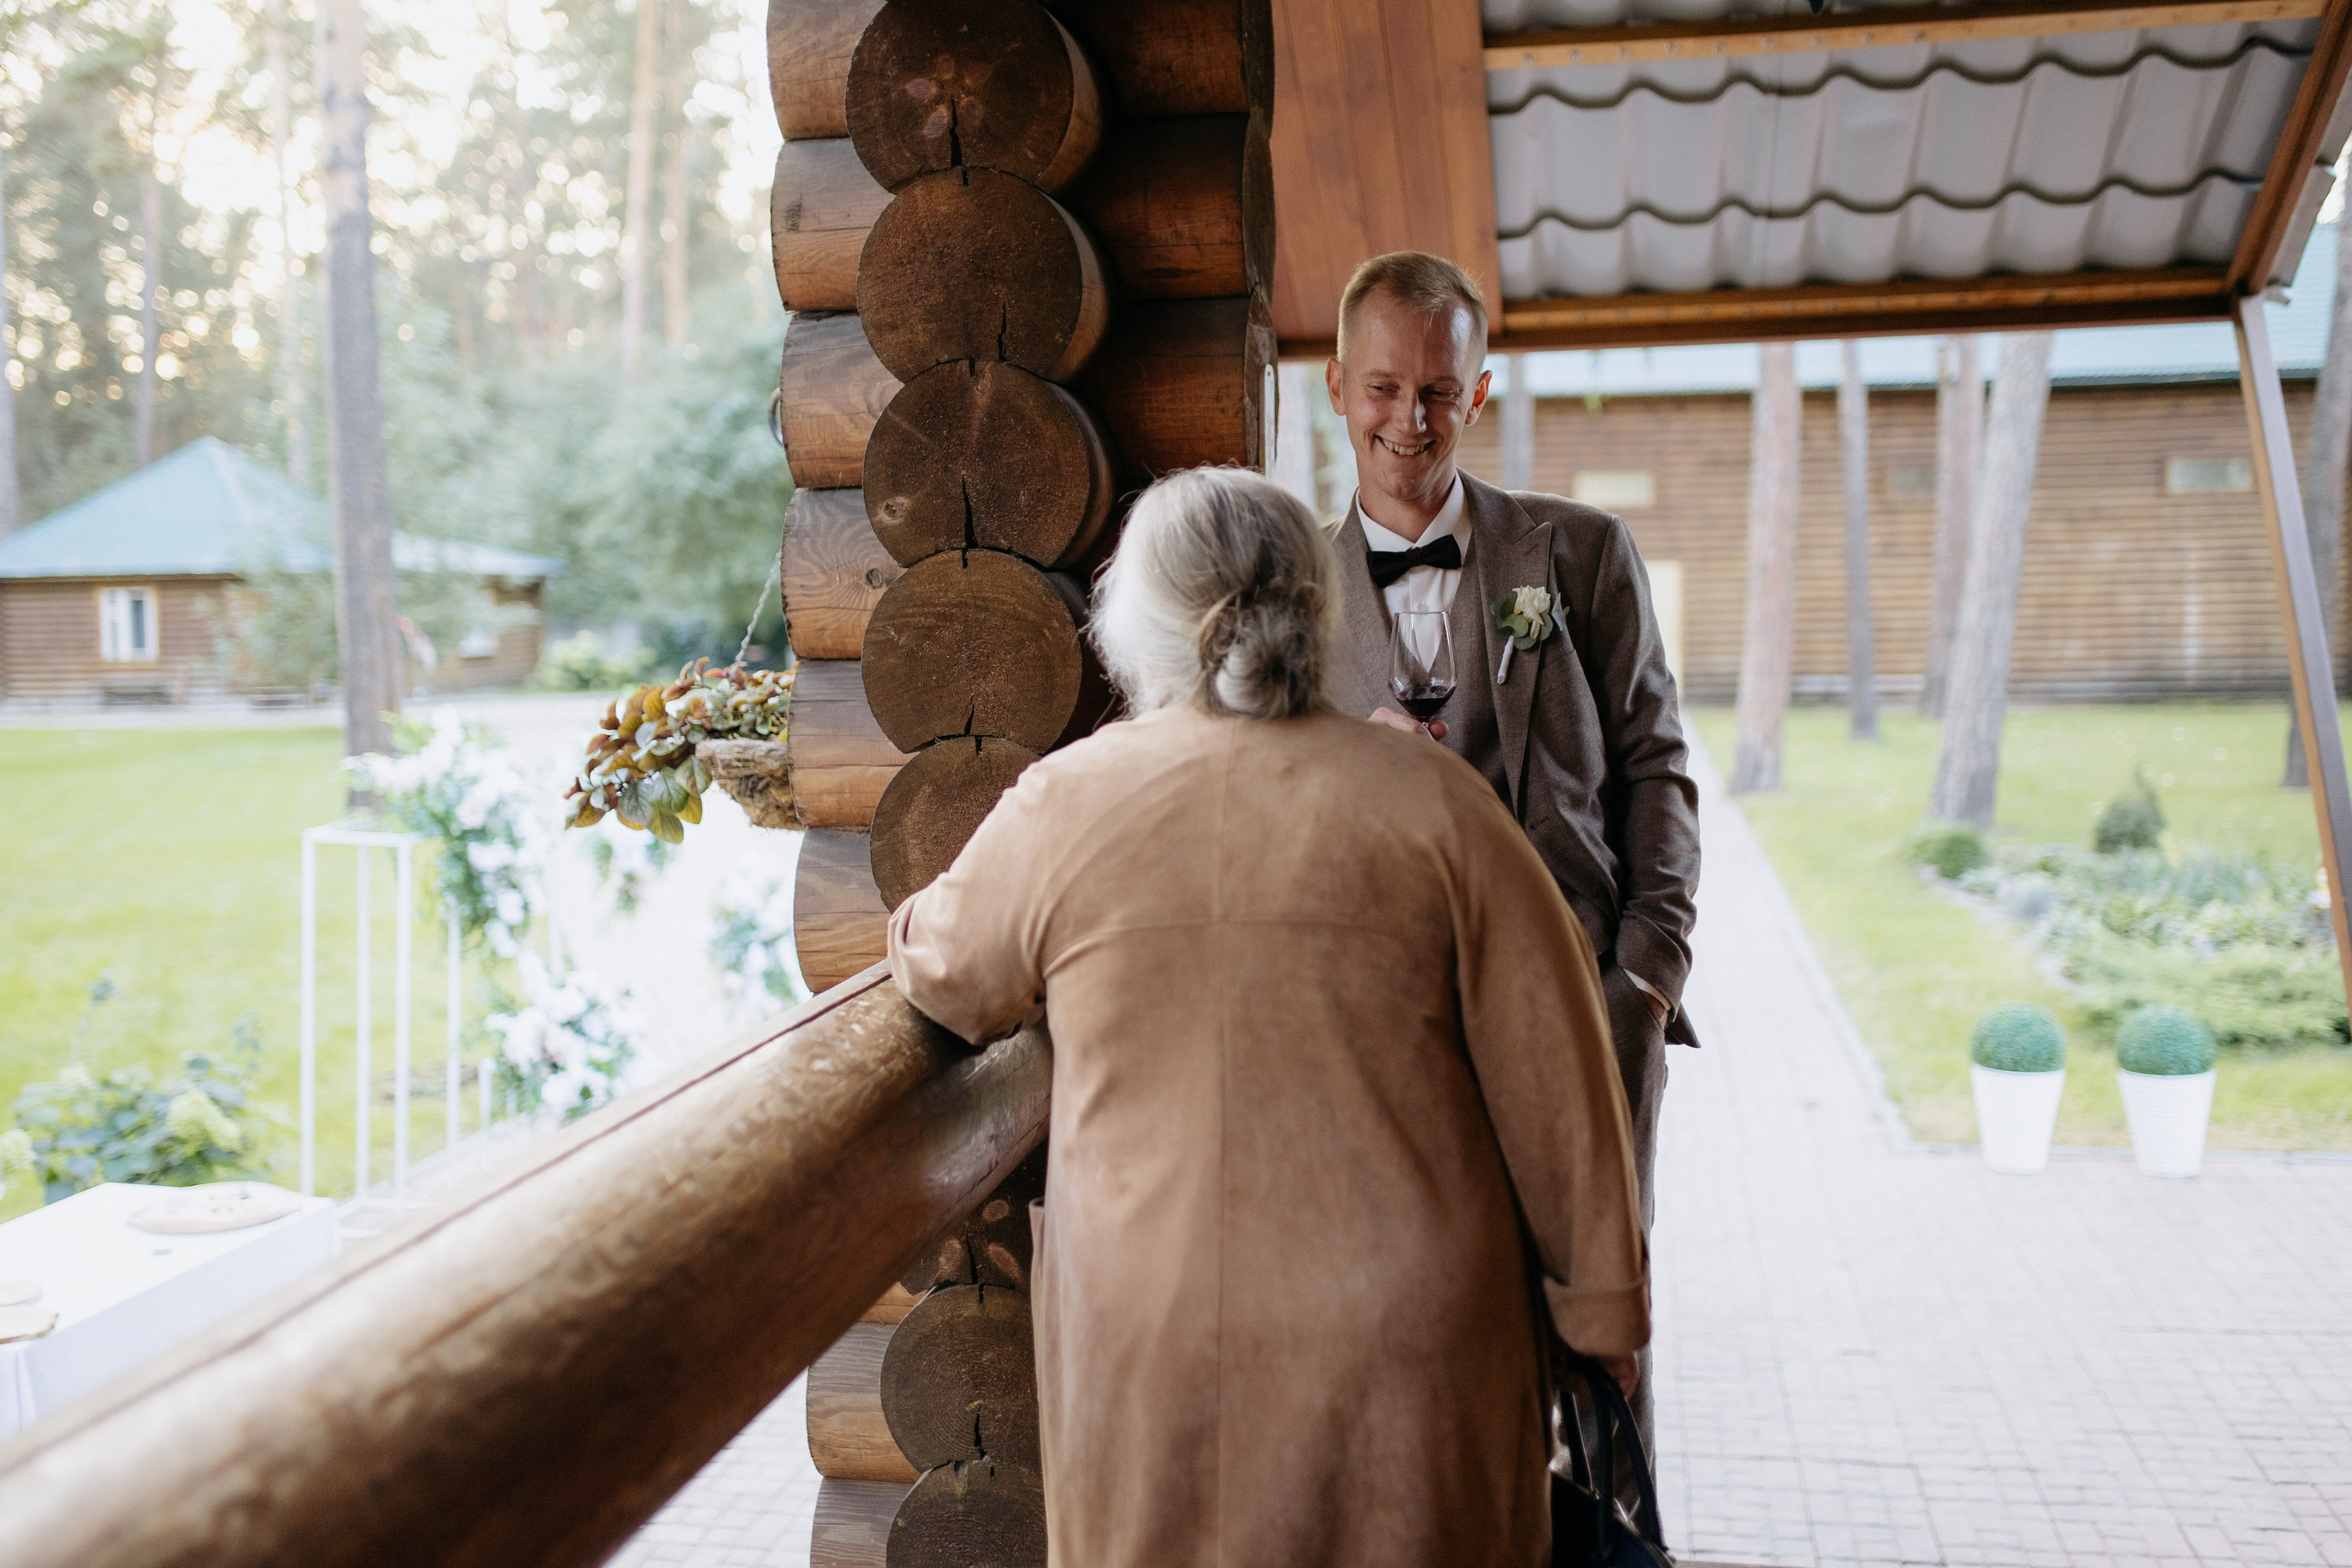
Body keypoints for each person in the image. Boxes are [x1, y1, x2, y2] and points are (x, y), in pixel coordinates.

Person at [888, 468, 1648, 1568]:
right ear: (1315, 604)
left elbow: (945, 971)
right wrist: (1603, 1318)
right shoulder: (1439, 803)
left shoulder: (1067, 802)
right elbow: (1559, 1080)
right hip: (1416, 1348)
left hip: (1160, 1350)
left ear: (1135, 623)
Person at [1321, 251, 1701, 1456]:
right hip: (1385, 1044)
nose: (1408, 419)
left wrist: (1645, 971)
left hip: (1584, 1011)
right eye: (1383, 388)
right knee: (1420, 1346)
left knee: (1597, 1345)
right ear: (1338, 386)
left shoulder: (1579, 555)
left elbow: (1658, 767)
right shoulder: (1288, 600)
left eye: (1438, 389)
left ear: (1478, 392)